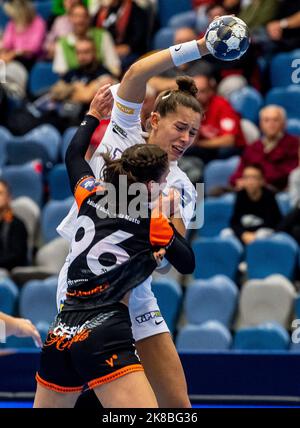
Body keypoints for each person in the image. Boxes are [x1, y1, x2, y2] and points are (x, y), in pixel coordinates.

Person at [56, 31, 209, 408]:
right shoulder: (123, 131)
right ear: (153, 119)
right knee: (105, 401)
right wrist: (202, 47)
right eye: (180, 127)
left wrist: (166, 225)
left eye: (193, 132)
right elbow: (138, 72)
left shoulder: (183, 185)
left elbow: (178, 257)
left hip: (135, 292)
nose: (186, 138)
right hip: (85, 288)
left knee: (177, 405)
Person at [34, 86, 195, 408]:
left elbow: (73, 155)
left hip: (64, 325)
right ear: (153, 185)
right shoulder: (151, 220)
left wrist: (93, 115)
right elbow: (187, 262)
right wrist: (168, 212)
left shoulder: (90, 194)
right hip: (105, 324)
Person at [230, 105, 299, 192]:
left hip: (275, 189)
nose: (271, 124)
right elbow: (237, 174)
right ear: (260, 124)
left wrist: (256, 181)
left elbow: (286, 174)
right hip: (249, 189)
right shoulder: (253, 147)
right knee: (216, 191)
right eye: (266, 120)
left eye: (275, 120)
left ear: (284, 123)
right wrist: (239, 181)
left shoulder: (294, 144)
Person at [185, 74, 246, 164]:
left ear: (211, 91)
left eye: (202, 91)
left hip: (231, 149)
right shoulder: (190, 108)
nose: (197, 96)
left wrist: (199, 144)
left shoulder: (222, 105)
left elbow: (228, 141)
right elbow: (190, 140)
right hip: (207, 149)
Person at [53, 3, 121, 77]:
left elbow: (115, 68)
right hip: (74, 84)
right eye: (76, 16)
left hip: (101, 81)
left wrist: (98, 82)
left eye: (83, 16)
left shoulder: (103, 35)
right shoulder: (62, 42)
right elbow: (61, 74)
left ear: (89, 18)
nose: (80, 20)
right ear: (70, 18)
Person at [227, 164, 282, 245]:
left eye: (254, 177)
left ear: (262, 181)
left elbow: (272, 222)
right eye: (246, 177)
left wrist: (251, 233)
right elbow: (234, 221)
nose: (250, 181)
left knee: (261, 235)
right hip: (245, 231)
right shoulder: (240, 195)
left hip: (264, 230)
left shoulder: (269, 196)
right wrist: (243, 233)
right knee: (226, 233)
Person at [95, 0, 151, 71]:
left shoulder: (134, 10)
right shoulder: (102, 11)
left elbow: (138, 38)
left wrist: (127, 47)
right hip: (107, 50)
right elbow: (93, 30)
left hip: (131, 53)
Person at [0, 0, 46, 70]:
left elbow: (33, 49)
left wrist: (14, 53)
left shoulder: (38, 23)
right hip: (13, 58)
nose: (12, 17)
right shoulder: (12, 23)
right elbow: (7, 44)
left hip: (29, 60)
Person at [0, 180, 28, 271]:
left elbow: (17, 257)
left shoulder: (17, 224)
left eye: (0, 193)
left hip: (10, 273)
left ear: (9, 198)